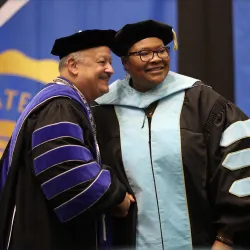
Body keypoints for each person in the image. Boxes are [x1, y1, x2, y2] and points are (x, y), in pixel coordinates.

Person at [92, 20, 250, 250]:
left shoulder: (203, 103)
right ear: (125, 63)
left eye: (161, 50)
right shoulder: (103, 111)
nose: (156, 59)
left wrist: (226, 238)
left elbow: (242, 167)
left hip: (204, 243)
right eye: (144, 53)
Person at [0, 29, 134, 250]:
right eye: (103, 62)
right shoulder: (60, 106)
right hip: (45, 236)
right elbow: (69, 174)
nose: (111, 70)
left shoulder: (67, 104)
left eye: (110, 62)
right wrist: (117, 196)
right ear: (73, 66)